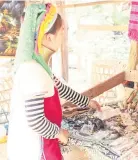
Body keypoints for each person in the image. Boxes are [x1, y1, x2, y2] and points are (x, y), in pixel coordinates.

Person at [7, 3, 101, 160]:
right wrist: (59, 133)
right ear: (49, 37)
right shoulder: (33, 70)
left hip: (42, 142)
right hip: (34, 148)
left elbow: (61, 89)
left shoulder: (38, 65)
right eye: (62, 32)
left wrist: (87, 102)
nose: (64, 38)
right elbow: (36, 121)